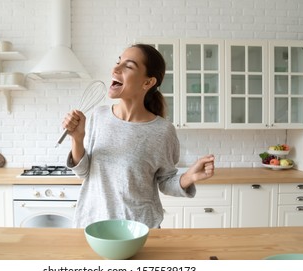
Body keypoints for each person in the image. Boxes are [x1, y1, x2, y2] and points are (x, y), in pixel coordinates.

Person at [62, 43, 215, 228]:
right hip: (94, 226)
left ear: (148, 82)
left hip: (139, 231)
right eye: (118, 62)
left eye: (128, 66)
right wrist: (77, 139)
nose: (115, 68)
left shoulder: (162, 131)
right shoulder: (98, 116)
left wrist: (188, 177)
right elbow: (84, 172)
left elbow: (166, 182)